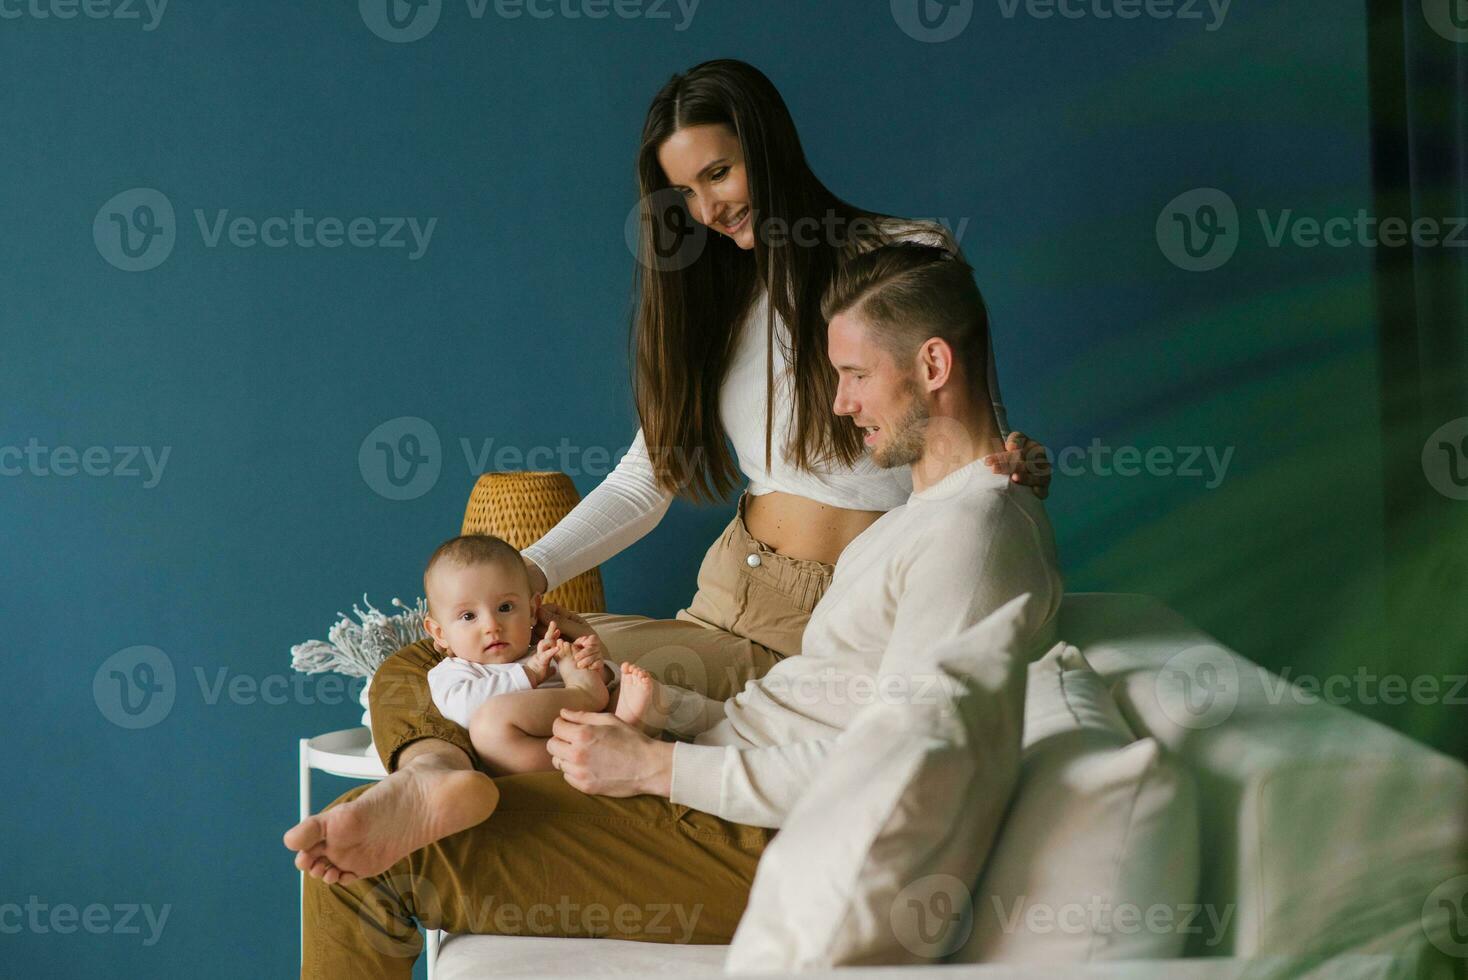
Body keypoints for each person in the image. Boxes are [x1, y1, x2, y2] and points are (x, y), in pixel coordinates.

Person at [284, 241, 1063, 977]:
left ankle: (432, 778)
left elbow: (907, 773)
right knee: (423, 661)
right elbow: (817, 707)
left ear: (932, 363)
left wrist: (655, 765)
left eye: (854, 374)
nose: (840, 401)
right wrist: (663, 712)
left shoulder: (977, 533)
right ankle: (432, 769)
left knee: (360, 866)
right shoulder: (930, 520)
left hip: (769, 838)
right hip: (726, 772)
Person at [360, 58, 1054, 849]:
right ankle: (432, 785)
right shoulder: (713, 298)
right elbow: (642, 482)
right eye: (684, 195)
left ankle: (461, 794)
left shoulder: (904, 253)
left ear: (770, 147)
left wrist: (1016, 465)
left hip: (821, 623)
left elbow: (958, 425)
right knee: (423, 668)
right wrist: (526, 581)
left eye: (719, 173)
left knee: (510, 704)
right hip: (726, 598)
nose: (708, 208)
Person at [420, 534, 619, 775]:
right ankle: (594, 734)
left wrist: (599, 667)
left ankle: (627, 730)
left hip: (593, 729)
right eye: (468, 616)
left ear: (533, 610)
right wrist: (529, 674)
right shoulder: (452, 671)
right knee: (489, 730)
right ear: (439, 633)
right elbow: (464, 710)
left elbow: (607, 684)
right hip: (541, 756)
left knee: (634, 686)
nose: (491, 625)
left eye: (505, 608)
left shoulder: (548, 650)